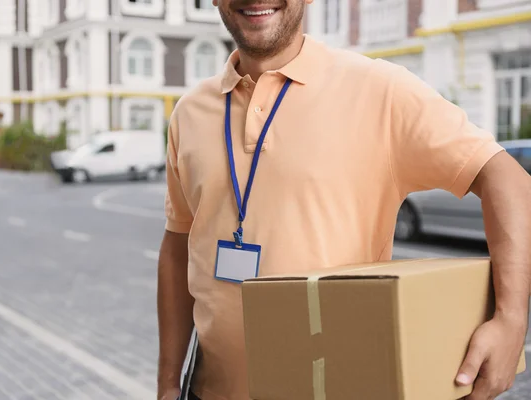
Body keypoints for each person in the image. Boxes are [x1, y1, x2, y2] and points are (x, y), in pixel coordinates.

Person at [156, 0, 531, 399]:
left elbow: (506, 178)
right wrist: (166, 383)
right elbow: (179, 249)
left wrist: (511, 321)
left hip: (340, 389)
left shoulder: (378, 88)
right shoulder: (189, 113)